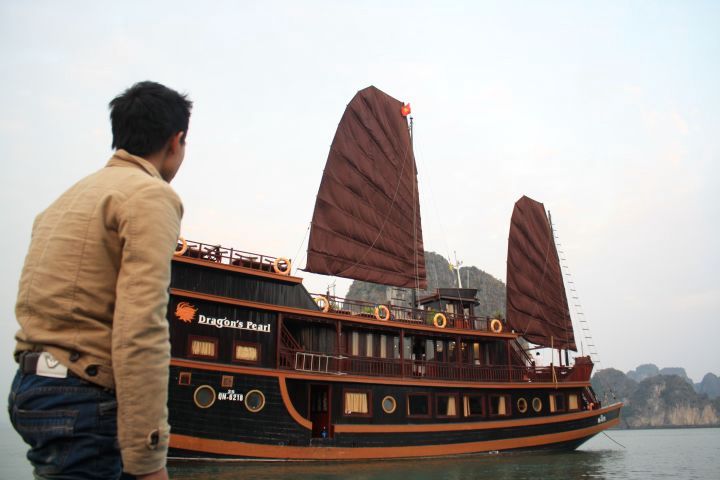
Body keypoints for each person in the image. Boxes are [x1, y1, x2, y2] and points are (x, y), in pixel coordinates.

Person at [8, 81, 192, 479]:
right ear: (176, 141)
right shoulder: (150, 196)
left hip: (31, 387)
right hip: (84, 398)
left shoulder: (70, 197)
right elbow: (140, 327)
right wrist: (149, 458)